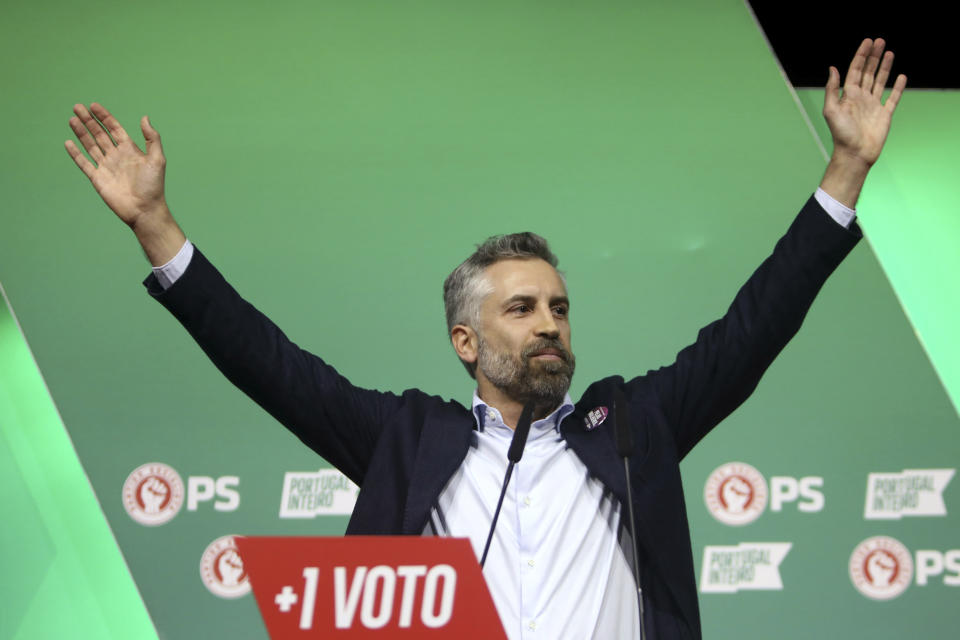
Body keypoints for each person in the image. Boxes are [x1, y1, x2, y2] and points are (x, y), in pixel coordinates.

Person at [65, 38, 906, 640]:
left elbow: (755, 327)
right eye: (522, 310)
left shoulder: (635, 428)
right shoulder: (405, 439)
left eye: (559, 307)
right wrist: (156, 226)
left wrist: (846, 171)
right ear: (465, 341)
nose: (549, 323)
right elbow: (266, 362)